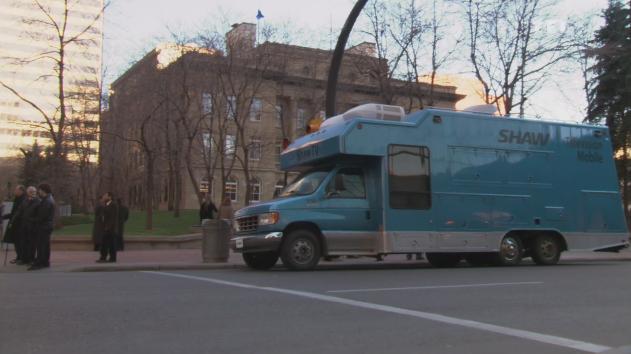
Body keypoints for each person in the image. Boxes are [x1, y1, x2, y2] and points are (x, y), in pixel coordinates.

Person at [28, 183, 55, 271]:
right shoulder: (48, 199)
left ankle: (40, 262)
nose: (38, 192)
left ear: (43, 190)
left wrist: (32, 219)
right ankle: (45, 262)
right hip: (47, 226)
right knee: (45, 245)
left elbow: (42, 216)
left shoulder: (47, 201)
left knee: (41, 245)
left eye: (39, 190)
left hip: (44, 226)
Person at [15, 186, 40, 265]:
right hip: (24, 225)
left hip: (33, 226)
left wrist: (33, 220)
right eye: (30, 191)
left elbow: (39, 215)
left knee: (32, 243)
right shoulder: (25, 201)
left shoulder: (38, 201)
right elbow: (20, 211)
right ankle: (24, 259)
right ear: (27, 192)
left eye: (33, 191)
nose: (32, 193)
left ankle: (31, 259)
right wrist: (13, 220)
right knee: (23, 242)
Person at [2, 185, 26, 264]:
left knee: (19, 242)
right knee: (16, 242)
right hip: (14, 224)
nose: (15, 191)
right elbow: (13, 213)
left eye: (16, 190)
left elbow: (18, 214)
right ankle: (18, 257)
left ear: (21, 191)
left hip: (19, 225)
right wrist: (3, 217)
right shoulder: (17, 199)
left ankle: (21, 258)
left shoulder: (23, 200)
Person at [97, 192, 119, 263]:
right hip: (105, 228)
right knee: (104, 244)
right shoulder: (105, 205)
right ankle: (103, 257)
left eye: (105, 196)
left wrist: (107, 227)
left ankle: (112, 258)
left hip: (111, 229)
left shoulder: (113, 205)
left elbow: (112, 218)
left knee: (112, 244)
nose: (103, 197)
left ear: (110, 197)